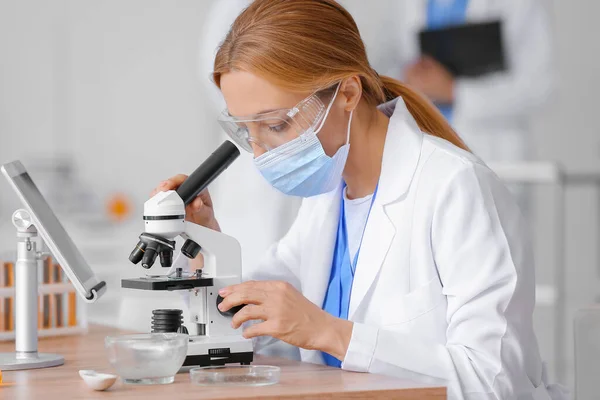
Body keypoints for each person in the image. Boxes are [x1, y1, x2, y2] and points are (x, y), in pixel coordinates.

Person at [155, 1, 567, 398]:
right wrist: (205, 245)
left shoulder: (455, 188)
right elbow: (255, 331)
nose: (263, 154)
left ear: (348, 93)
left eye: (276, 125)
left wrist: (329, 332)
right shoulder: (326, 196)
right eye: (249, 133)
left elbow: (494, 382)